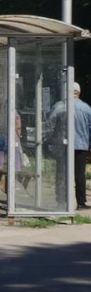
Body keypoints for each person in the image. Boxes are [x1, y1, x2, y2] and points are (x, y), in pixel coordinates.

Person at [51, 82, 91, 210]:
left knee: (61, 173)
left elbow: (50, 124)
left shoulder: (59, 106)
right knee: (80, 173)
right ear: (78, 93)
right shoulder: (86, 108)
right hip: (81, 146)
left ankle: (61, 200)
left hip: (63, 145)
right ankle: (81, 202)